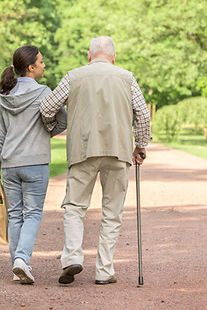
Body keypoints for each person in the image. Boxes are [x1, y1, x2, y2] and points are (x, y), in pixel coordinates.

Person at [40, 36, 151, 285]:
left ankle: (72, 258)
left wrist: (53, 127)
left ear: (89, 56)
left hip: (83, 149)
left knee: (75, 207)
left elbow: (47, 108)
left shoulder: (74, 76)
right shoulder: (126, 77)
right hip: (118, 151)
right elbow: (142, 114)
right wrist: (140, 145)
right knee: (112, 213)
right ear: (114, 57)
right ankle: (104, 271)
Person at [0, 45, 67, 284]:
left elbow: (0, 136)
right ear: (30, 67)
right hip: (35, 162)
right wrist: (44, 133)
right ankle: (21, 259)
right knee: (33, 213)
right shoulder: (43, 93)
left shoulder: (4, 95)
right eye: (40, 62)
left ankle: (18, 265)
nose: (44, 65)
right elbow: (63, 120)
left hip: (9, 164)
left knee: (14, 215)